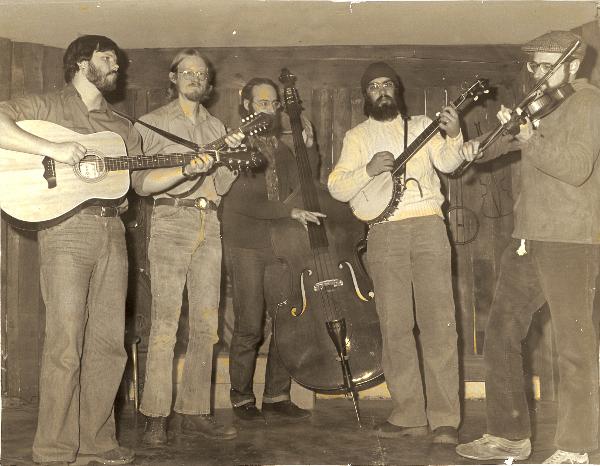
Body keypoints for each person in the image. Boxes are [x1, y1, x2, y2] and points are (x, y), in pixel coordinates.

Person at [455, 31, 600, 465]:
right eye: (533, 65)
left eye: (545, 65)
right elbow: (499, 146)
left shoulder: (589, 103)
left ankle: (574, 448)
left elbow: (575, 168)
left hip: (571, 238)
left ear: (572, 65)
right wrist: (476, 146)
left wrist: (529, 136)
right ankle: (508, 435)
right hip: (528, 237)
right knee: (501, 332)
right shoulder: (543, 106)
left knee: (573, 347)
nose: (535, 74)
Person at [0, 35, 138, 466]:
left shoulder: (122, 126)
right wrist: (53, 148)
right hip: (65, 232)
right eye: (106, 57)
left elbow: (143, 182)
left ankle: (97, 442)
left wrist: (189, 169)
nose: (116, 64)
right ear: (80, 63)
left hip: (113, 231)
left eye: (117, 58)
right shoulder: (48, 105)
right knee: (64, 344)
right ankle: (54, 450)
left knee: (109, 344)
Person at [327, 62, 477, 444]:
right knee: (395, 327)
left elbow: (447, 162)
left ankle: (445, 420)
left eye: (387, 84)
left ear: (397, 91)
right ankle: (409, 413)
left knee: (439, 325)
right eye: (374, 86)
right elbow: (338, 188)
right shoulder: (357, 136)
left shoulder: (423, 123)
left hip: (428, 227)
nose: (382, 91)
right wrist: (368, 170)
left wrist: (455, 133)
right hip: (384, 234)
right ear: (366, 95)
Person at [131, 49, 243, 445]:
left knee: (206, 325)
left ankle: (194, 409)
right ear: (173, 77)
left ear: (208, 83)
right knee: (164, 325)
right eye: (188, 72)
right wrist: (184, 168)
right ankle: (156, 415)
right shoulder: (151, 123)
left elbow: (222, 186)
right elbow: (139, 184)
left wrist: (230, 161)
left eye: (202, 73)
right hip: (170, 221)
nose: (195, 78)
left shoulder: (218, 126)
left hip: (209, 222)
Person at [220, 77, 323, 422]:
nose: (270, 108)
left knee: (285, 321)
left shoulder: (283, 150)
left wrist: (309, 146)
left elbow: (302, 186)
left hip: (281, 244)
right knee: (249, 325)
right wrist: (289, 212)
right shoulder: (236, 145)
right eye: (262, 102)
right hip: (246, 245)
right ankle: (241, 397)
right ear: (247, 106)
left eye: (274, 103)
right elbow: (245, 202)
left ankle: (277, 395)